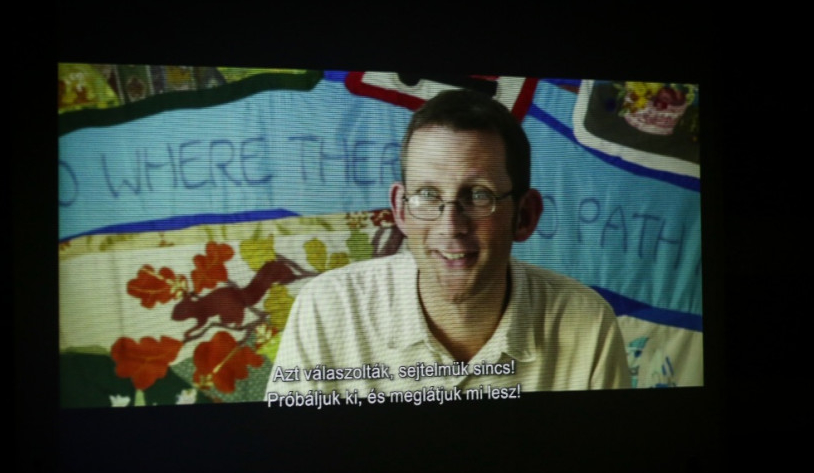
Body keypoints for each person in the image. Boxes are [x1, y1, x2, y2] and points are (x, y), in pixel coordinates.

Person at [267, 89, 629, 397]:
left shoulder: (587, 322)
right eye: (428, 194)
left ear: (524, 216)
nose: (451, 226)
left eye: (479, 195)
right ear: (401, 210)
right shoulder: (328, 309)